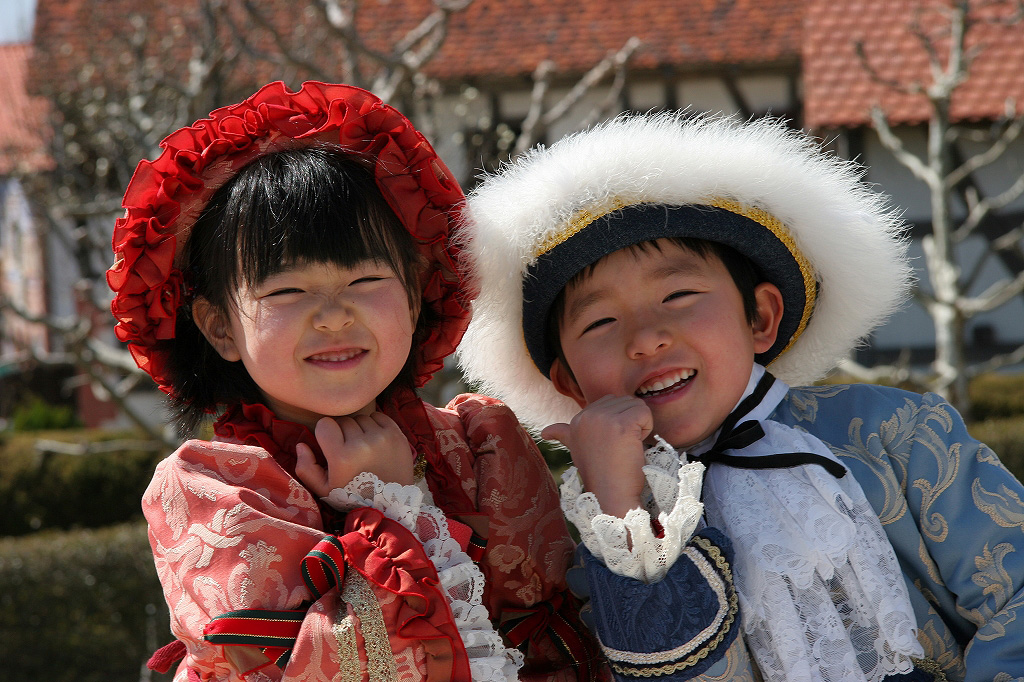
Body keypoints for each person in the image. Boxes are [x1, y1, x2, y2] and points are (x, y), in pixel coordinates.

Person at [456, 113, 1024, 681]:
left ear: (760, 317)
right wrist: (623, 505)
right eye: (600, 321)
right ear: (569, 384)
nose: (646, 338)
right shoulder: (592, 542)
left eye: (678, 294)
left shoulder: (898, 433)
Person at [109, 81, 601, 682]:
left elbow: (563, 648)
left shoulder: (483, 450)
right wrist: (388, 503)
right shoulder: (213, 493)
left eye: (366, 281)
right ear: (219, 328)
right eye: (287, 290)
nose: (334, 314)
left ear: (417, 300)